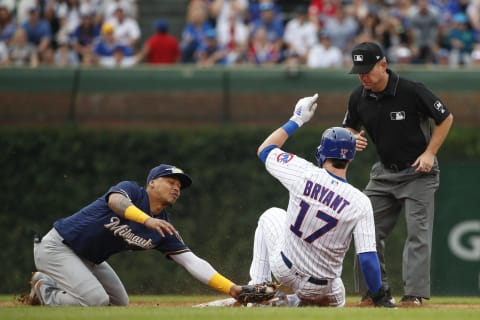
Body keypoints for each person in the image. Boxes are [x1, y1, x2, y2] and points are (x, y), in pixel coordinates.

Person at [246, 94, 395, 307]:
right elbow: (368, 258)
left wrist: (297, 119)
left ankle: (259, 291)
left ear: (322, 153)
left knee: (270, 215)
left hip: (284, 269)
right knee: (339, 292)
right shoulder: (360, 201)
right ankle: (292, 301)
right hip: (322, 288)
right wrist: (380, 297)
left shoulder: (303, 172)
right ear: (351, 157)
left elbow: (266, 149)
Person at [28, 164, 247, 306]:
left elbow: (192, 262)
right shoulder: (131, 191)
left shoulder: (164, 228)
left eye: (179, 186)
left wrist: (232, 288)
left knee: (119, 304)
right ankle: (44, 289)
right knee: (97, 301)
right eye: (171, 182)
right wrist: (146, 219)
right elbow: (115, 202)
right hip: (58, 247)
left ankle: (51, 287)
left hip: (89, 260)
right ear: (151, 183)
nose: (176, 189)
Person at [343, 41, 454, 306]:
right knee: (364, 229)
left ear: (383, 65)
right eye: (359, 71)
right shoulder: (359, 96)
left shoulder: (412, 90)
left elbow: (446, 118)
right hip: (383, 174)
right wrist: (352, 138)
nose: (363, 76)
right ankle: (375, 292)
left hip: (418, 173)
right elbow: (348, 126)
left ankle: (413, 295)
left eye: (367, 70)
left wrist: (430, 153)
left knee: (417, 235)